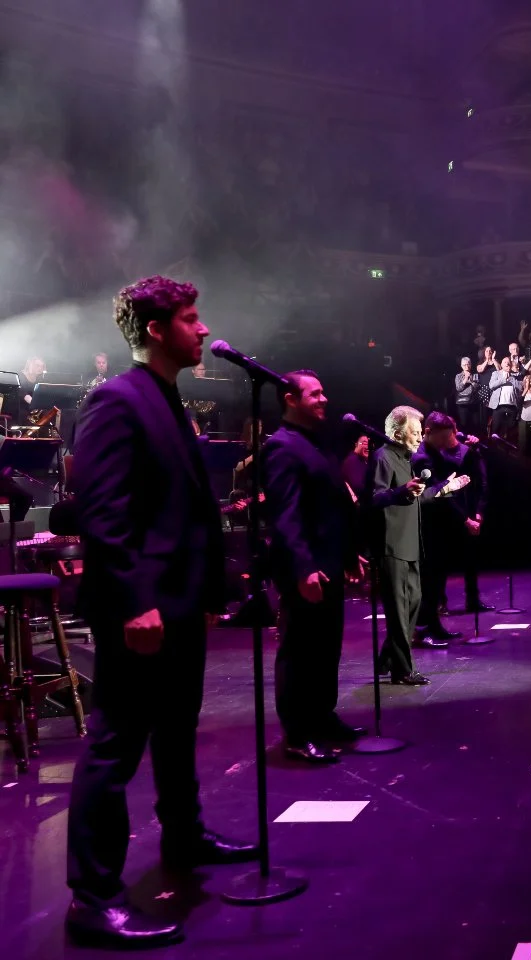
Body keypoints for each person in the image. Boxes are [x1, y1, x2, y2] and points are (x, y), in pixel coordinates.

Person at [65, 276, 256, 948]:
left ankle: (185, 836)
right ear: (156, 329)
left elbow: (183, 510)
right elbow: (105, 513)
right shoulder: (118, 401)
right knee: (114, 748)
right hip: (140, 607)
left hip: (178, 601)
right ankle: (92, 899)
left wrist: (207, 594)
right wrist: (135, 601)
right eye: (191, 318)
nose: (203, 330)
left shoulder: (168, 397)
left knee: (176, 731)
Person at [262, 370, 367, 764]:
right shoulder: (282, 447)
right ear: (291, 399)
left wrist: (347, 553)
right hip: (304, 569)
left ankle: (322, 717)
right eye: (316, 393)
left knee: (326, 648)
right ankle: (297, 732)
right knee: (299, 650)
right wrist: (304, 568)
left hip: (328, 562)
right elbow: (286, 516)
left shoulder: (315, 443)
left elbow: (331, 507)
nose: (325, 399)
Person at [369, 405, 468, 682]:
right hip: (392, 545)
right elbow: (375, 498)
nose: (418, 438)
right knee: (400, 610)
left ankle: (388, 659)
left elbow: (418, 497)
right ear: (399, 433)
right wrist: (402, 491)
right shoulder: (383, 458)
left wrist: (446, 488)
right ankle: (403, 670)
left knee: (414, 604)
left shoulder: (406, 460)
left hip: (410, 543)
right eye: (414, 432)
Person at [413, 411, 493, 642]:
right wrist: (465, 519)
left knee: (437, 578)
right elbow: (437, 494)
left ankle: (433, 625)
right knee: (430, 580)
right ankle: (423, 628)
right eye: (443, 438)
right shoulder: (422, 459)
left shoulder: (434, 453)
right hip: (428, 527)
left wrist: (473, 450)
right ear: (428, 432)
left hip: (440, 527)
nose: (446, 443)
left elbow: (452, 465)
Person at [454, 355, 480, 436]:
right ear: (461, 366)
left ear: (471, 365)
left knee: (475, 425)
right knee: (464, 425)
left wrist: (471, 381)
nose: (466, 366)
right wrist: (465, 379)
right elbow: (458, 388)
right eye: (464, 365)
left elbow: (477, 388)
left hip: (473, 403)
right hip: (462, 404)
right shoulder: (458, 376)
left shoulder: (475, 375)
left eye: (468, 364)